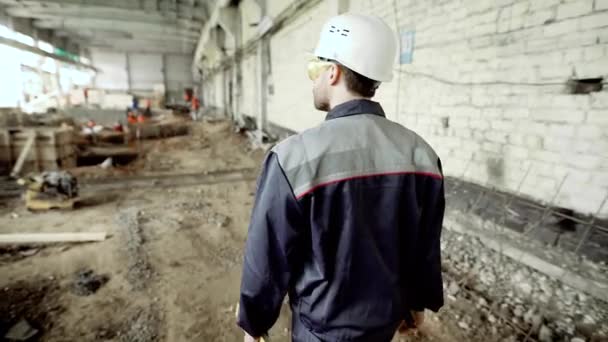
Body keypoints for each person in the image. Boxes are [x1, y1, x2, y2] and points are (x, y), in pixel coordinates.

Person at [238, 13, 445, 342]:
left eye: (314, 70)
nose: (313, 80)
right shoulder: (421, 154)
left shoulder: (292, 158)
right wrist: (417, 302)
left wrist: (254, 323)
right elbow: (425, 245)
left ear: (332, 72)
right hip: (383, 325)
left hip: (320, 331)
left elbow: (268, 256)